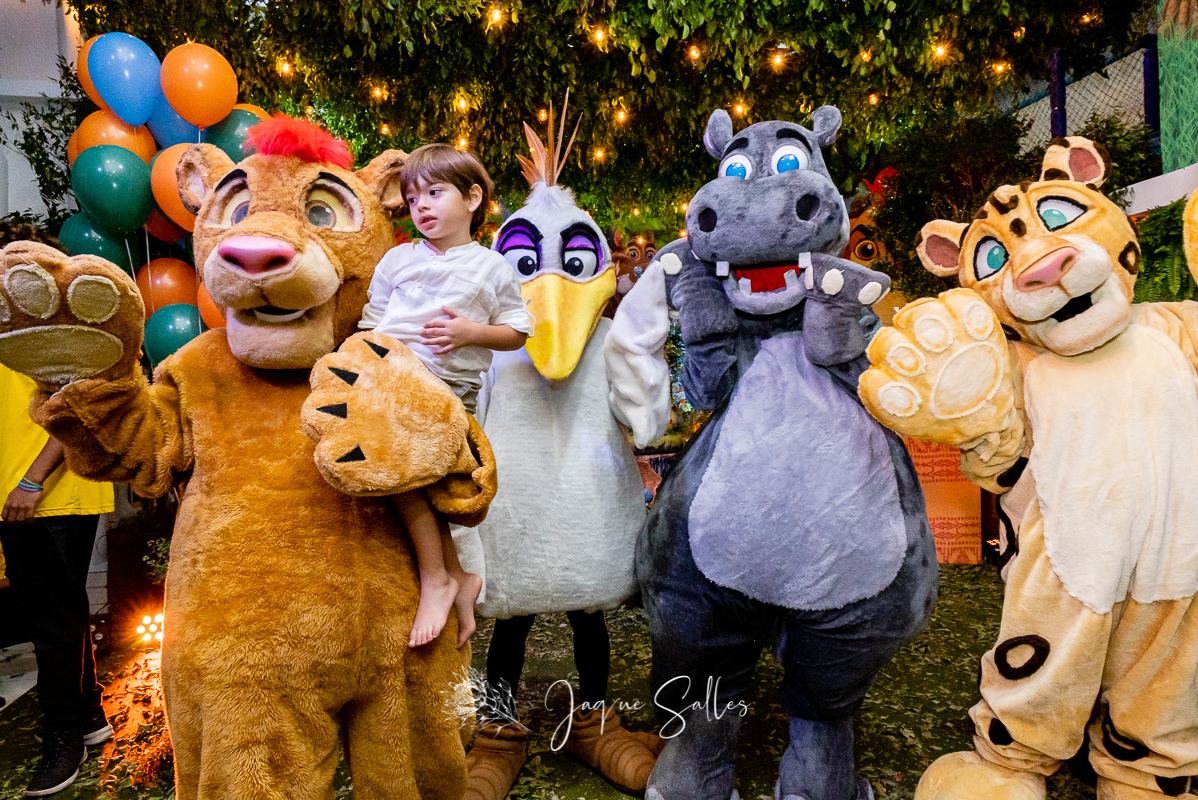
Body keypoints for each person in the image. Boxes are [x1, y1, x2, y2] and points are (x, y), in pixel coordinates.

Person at [359, 143, 531, 648]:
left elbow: (518, 331)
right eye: (413, 200)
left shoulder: (491, 267)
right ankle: (457, 577)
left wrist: (471, 333)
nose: (422, 208)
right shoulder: (397, 259)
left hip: (446, 388)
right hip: (390, 377)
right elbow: (372, 320)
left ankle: (438, 579)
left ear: (473, 198)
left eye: (435, 193)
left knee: (403, 472)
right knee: (400, 476)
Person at [1, 357, 115, 797]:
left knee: (51, 626)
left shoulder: (43, 314)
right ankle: (86, 715)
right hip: (21, 494)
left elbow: (80, 403)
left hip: (44, 493)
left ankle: (63, 736)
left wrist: (31, 482)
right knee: (61, 614)